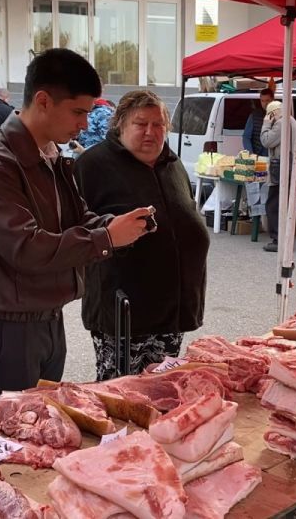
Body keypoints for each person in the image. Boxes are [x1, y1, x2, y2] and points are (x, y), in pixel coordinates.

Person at [0, 48, 152, 413]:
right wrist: (107, 238)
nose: (84, 123)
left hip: (47, 318)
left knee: (44, 425)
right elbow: (26, 248)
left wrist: (116, 225)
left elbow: (77, 219)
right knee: (13, 437)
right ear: (43, 100)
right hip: (6, 328)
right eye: (78, 112)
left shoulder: (49, 154)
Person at [74, 90, 209, 380]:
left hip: (172, 312)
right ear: (120, 125)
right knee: (123, 397)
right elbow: (77, 231)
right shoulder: (93, 166)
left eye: (158, 124)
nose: (151, 132)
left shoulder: (172, 163)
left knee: (162, 391)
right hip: (124, 314)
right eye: (141, 124)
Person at [260, 100, 296, 253]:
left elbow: (266, 141)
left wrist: (266, 124)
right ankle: (285, 239)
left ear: (272, 113)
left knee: (274, 205)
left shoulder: (281, 123)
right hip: (291, 167)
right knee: (285, 205)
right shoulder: (293, 121)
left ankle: (278, 239)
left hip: (280, 169)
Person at [243, 89, 274, 155]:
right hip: (258, 155)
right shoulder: (254, 115)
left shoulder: (279, 116)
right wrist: (251, 154)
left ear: (272, 100)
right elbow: (246, 137)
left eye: (267, 100)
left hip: (274, 156)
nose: (265, 103)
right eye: (262, 101)